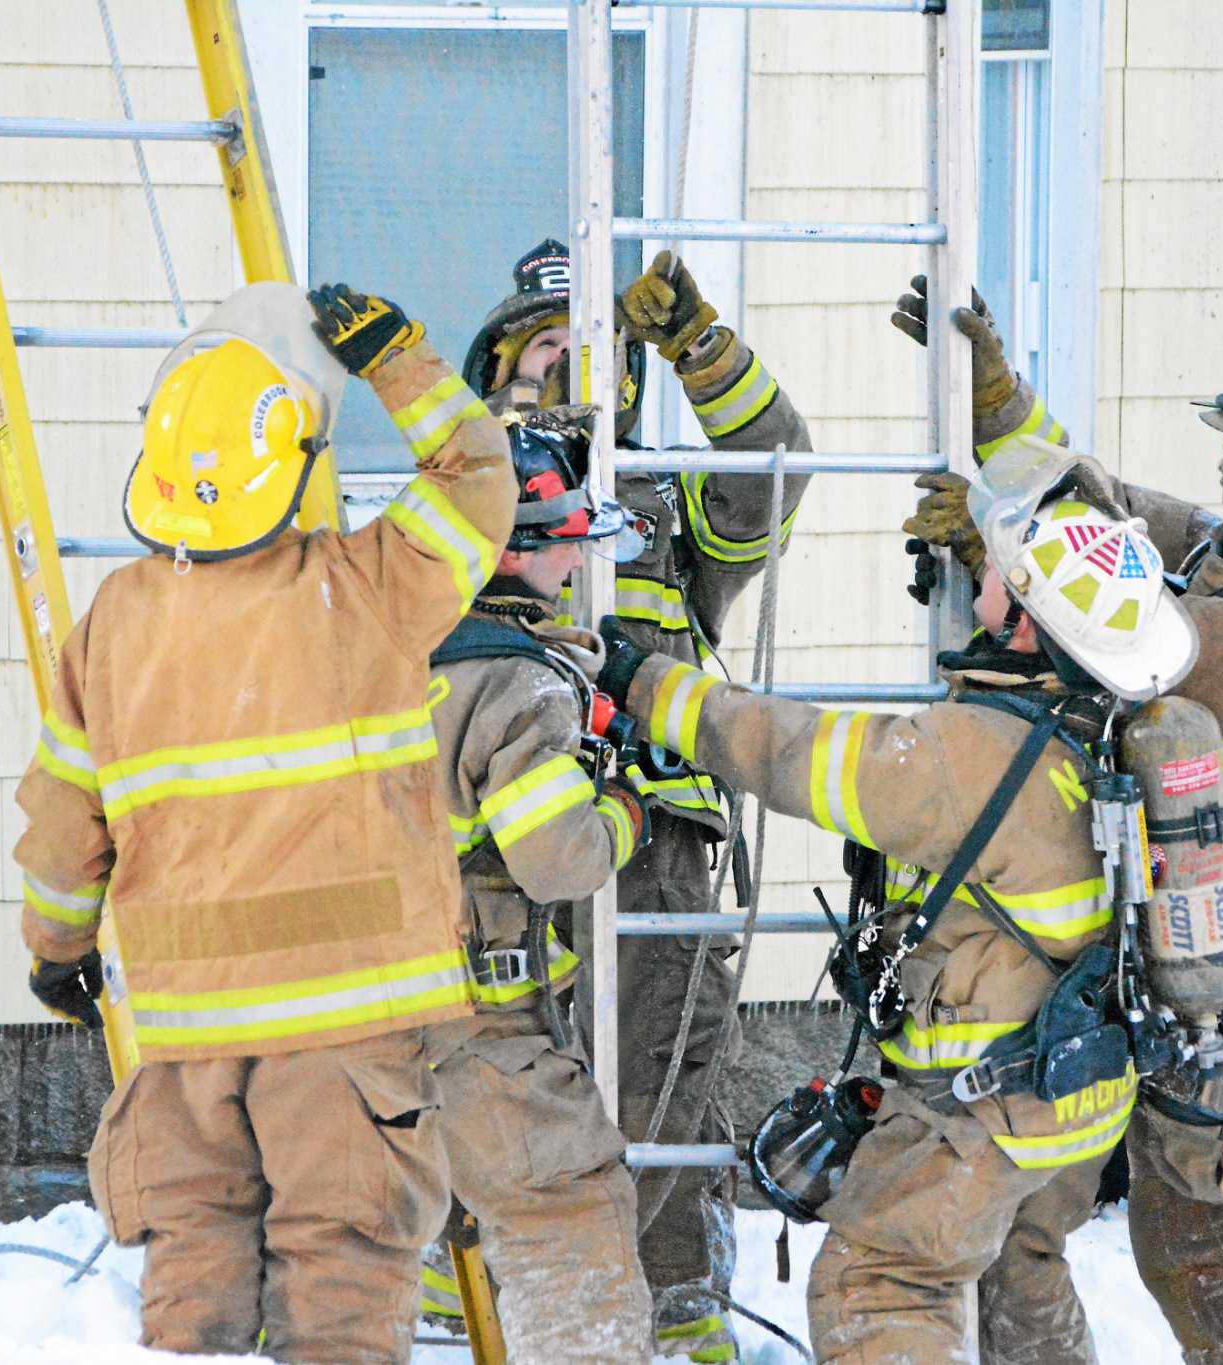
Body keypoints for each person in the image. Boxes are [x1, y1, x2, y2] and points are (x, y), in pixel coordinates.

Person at [898, 283, 1223, 1364]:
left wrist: (1009, 560)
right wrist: (997, 406)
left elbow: (1142, 636)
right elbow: (1106, 520)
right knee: (1186, 1250)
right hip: (1200, 999)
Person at [589, 443, 1200, 1361]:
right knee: (1019, 1270)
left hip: (983, 1111)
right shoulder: (1104, 727)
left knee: (880, 1286)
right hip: (1083, 1096)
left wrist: (647, 684)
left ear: (1027, 623)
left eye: (996, 574)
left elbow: (790, 751)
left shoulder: (967, 757)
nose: (980, 578)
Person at [15, 281, 514, 1363]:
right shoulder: (363, 590)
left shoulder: (111, 628)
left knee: (192, 1272)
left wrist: (57, 952)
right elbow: (477, 485)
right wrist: (398, 360)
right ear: (291, 465)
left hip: (187, 1027)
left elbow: (65, 821)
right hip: (347, 1026)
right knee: (340, 1274)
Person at [457, 239, 814, 1363]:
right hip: (493, 846)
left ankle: (670, 1295)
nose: (570, 374)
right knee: (495, 1071)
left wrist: (696, 348)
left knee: (662, 1065)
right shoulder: (455, 507)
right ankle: (478, 1272)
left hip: (652, 838)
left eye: (595, 355)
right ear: (496, 373)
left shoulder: (662, 501)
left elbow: (775, 459)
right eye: (545, 350)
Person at [418, 409, 656, 1360]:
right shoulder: (521, 690)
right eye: (566, 551)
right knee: (570, 1213)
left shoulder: (379, 654)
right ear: (514, 556)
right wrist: (626, 808)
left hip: (346, 1021)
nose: (575, 569)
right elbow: (558, 857)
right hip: (477, 1026)